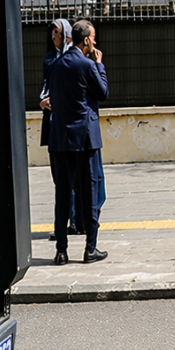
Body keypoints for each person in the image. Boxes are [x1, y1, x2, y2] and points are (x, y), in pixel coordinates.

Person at [47, 20, 109, 265]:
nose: (94, 42)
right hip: (85, 138)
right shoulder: (88, 65)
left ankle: (61, 251)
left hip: (61, 138)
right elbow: (102, 93)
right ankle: (90, 248)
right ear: (86, 40)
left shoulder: (56, 64)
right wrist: (99, 65)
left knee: (62, 194)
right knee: (90, 190)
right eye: (93, 38)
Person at [39, 19, 81, 240]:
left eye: (58, 32)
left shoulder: (74, 59)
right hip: (54, 122)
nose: (54, 36)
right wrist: (44, 100)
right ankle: (63, 223)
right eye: (52, 32)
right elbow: (45, 85)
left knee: (75, 177)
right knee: (59, 178)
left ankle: (76, 220)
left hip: (71, 124)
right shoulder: (49, 59)